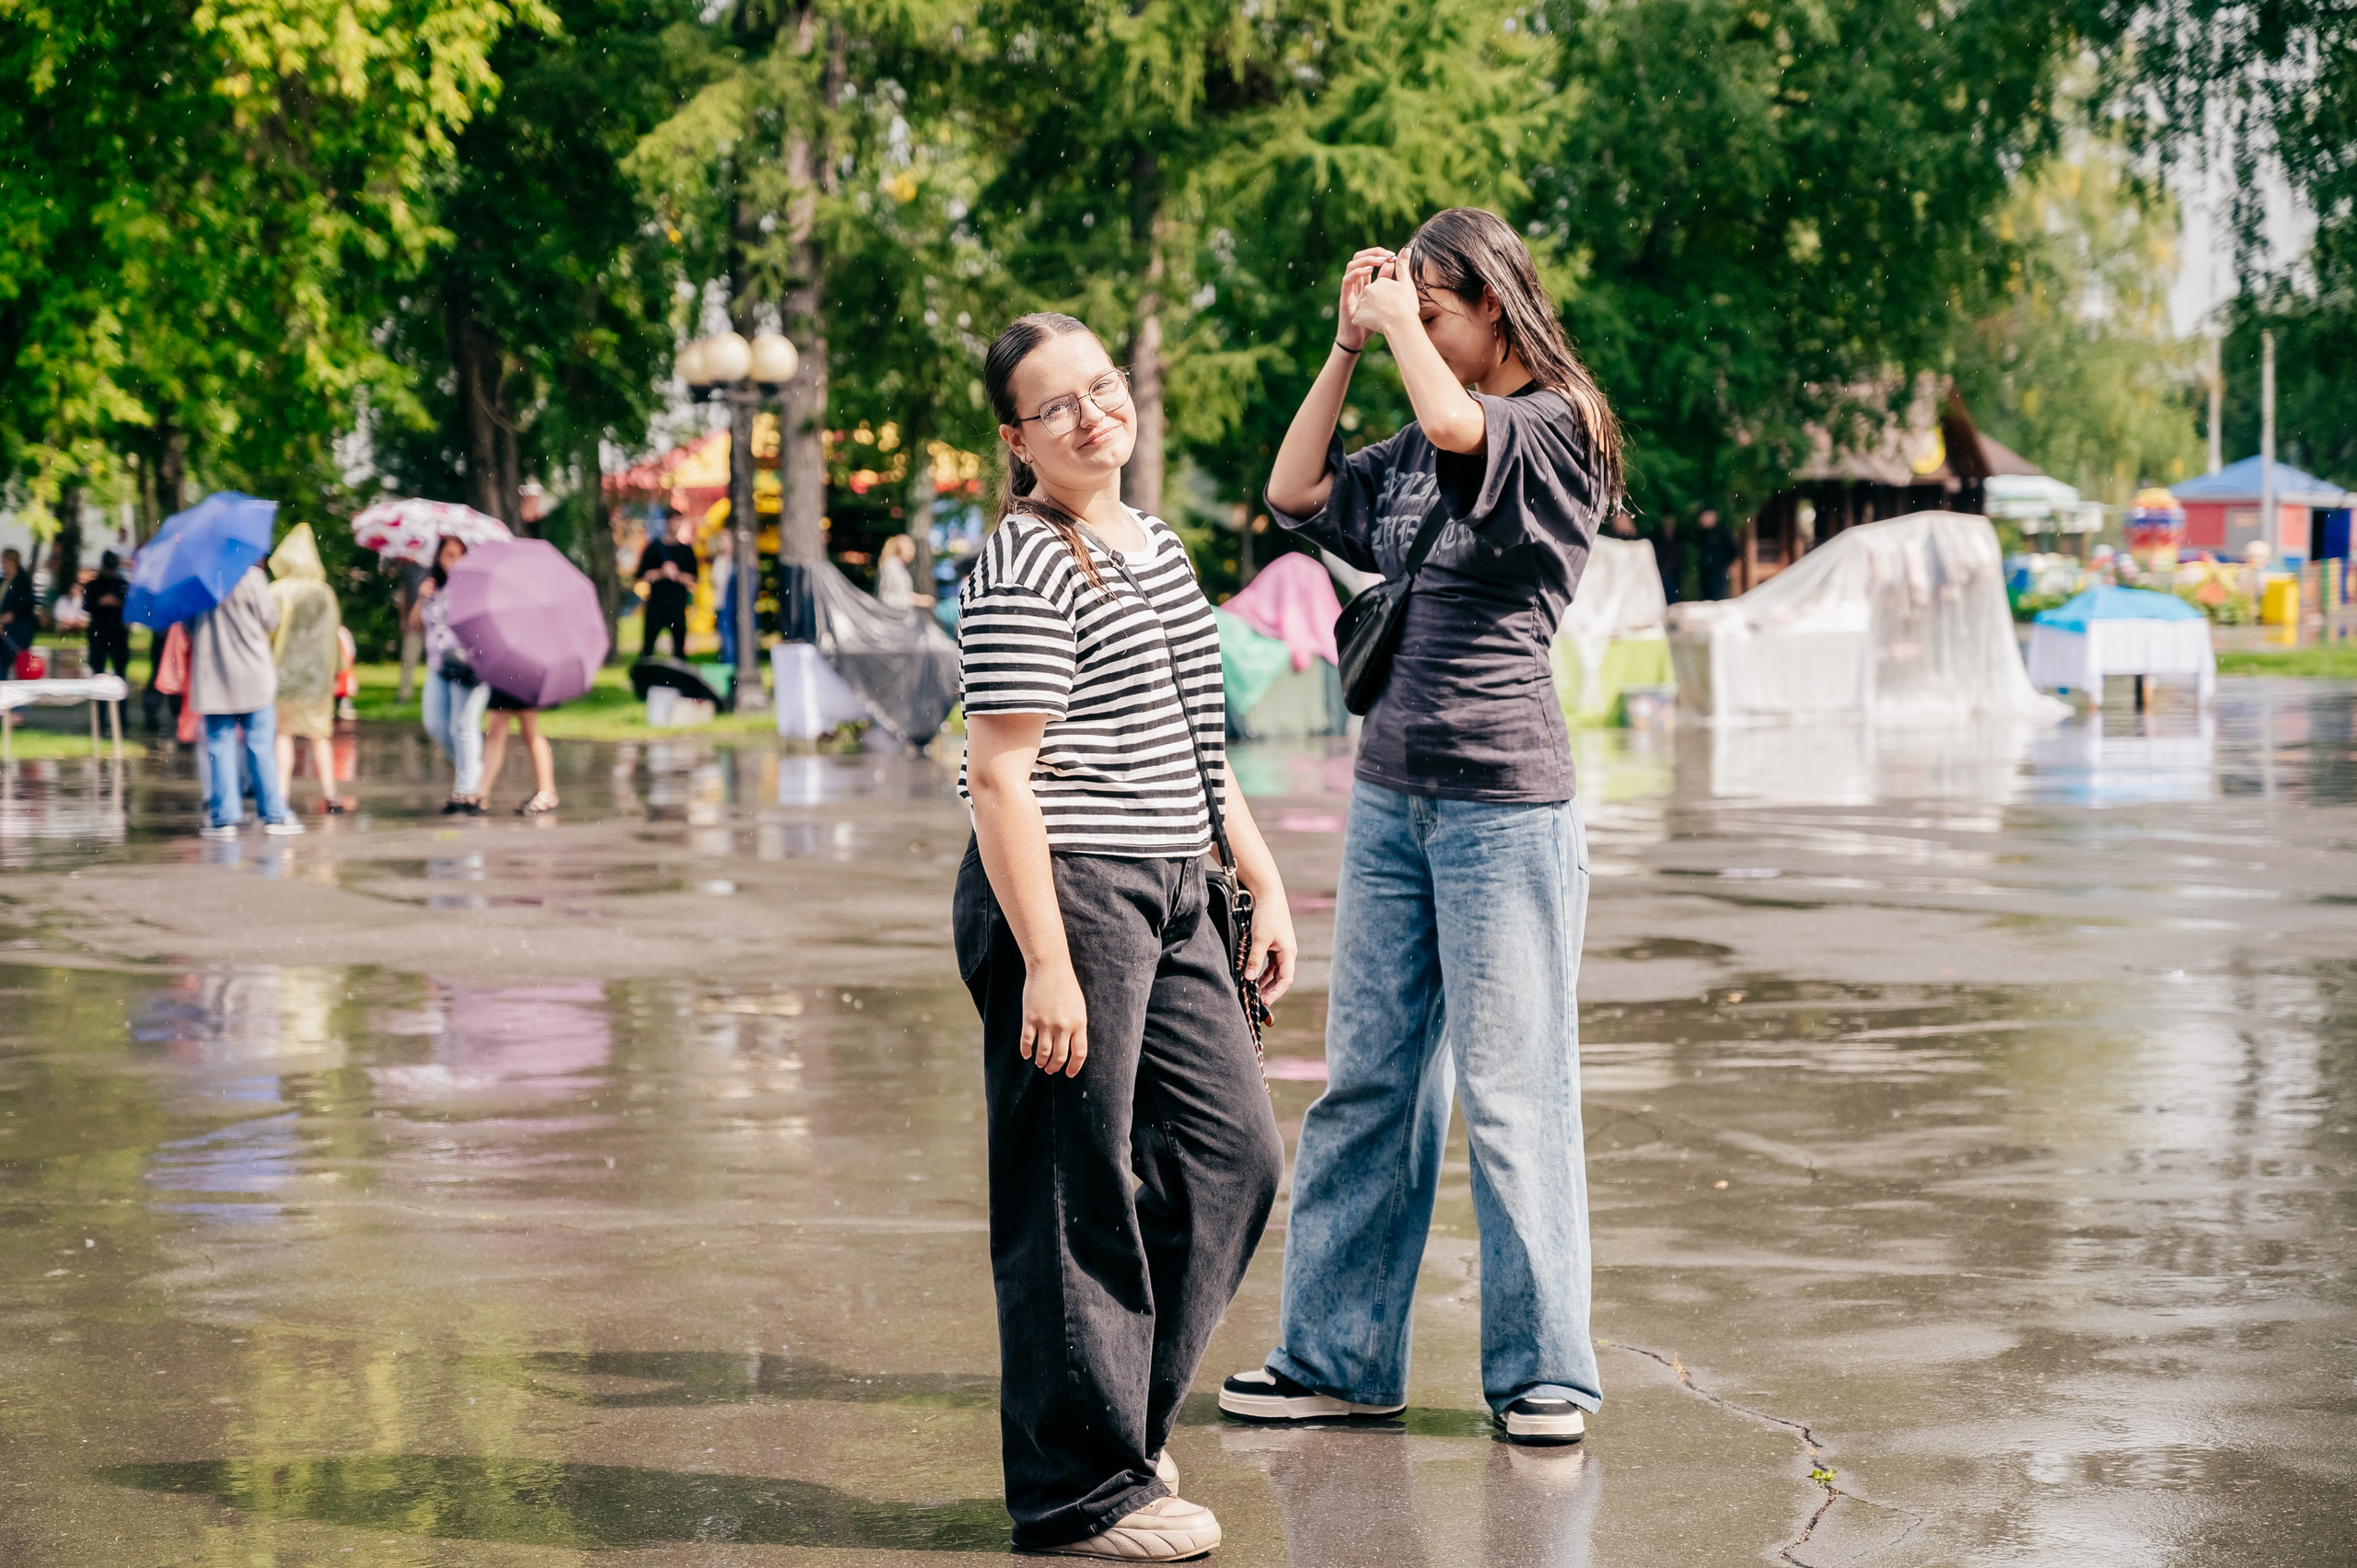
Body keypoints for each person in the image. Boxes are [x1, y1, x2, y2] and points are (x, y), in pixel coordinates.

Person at [1219, 207, 1621, 1448]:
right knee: (1368, 1086)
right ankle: (1337, 1357)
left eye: (1436, 313)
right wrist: (1348, 343)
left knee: (1512, 1094)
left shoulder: (1556, 426)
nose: (1419, 333)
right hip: (1392, 796)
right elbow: (1293, 491)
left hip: (1505, 806)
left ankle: (1544, 1371)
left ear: (1494, 305)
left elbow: (1460, 426)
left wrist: (1399, 324)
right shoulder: (1410, 441)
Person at [953, 312, 1293, 1561]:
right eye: (1058, 406)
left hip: (1176, 880)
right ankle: (1077, 1492)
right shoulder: (1024, 563)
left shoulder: (1156, 543)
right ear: (1017, 439)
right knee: (1071, 1184)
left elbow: (1201, 737)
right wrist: (1044, 959)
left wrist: (1255, 873)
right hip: (1068, 891)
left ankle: (1117, 1431)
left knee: (1231, 1156)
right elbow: (1000, 775)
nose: (1093, 416)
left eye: (1101, 388)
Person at [189, 560, 303, 838]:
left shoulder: (198, 580)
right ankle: (273, 814)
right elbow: (271, 619)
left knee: (220, 744)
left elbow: (188, 624)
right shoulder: (251, 576)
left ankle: (224, 817)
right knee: (260, 745)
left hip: (214, 674)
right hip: (253, 673)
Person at [266, 524, 345, 814]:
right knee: (319, 734)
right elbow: (332, 636)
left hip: (282, 675)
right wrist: (336, 669)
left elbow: (268, 633)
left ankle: (281, 794)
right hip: (316, 678)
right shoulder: (325, 594)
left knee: (283, 734)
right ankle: (331, 794)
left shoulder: (276, 592)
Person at [410, 535, 491, 815]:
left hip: (467, 665)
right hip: (439, 665)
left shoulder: (474, 587)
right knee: (435, 724)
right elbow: (415, 625)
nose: (455, 562)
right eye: (449, 556)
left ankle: (466, 791)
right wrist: (422, 597)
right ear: (438, 558)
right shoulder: (435, 588)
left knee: (463, 725)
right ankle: (473, 773)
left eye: (460, 555)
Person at [482, 691, 558, 816]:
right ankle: (480, 793)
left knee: (528, 730)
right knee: (497, 732)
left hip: (520, 683)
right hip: (504, 684)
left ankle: (547, 792)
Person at [635, 512, 698, 658]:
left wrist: (676, 575)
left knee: (679, 648)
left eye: (678, 521)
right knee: (648, 647)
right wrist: (662, 572)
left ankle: (679, 671)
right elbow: (641, 575)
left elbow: (693, 579)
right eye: (673, 521)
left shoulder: (686, 551)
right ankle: (646, 670)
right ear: (667, 522)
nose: (676, 525)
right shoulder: (654, 548)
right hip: (656, 606)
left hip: (677, 606)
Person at [86, 552, 130, 678]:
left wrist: (118, 603)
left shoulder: (122, 585)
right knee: (97, 665)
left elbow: (130, 606)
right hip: (99, 629)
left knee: (120, 665)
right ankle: (98, 689)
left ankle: (121, 688)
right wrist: (100, 602)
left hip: (118, 629)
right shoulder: (94, 585)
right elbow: (87, 605)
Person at [876, 532, 935, 610]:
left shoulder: (899, 566)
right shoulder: (891, 565)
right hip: (891, 612)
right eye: (909, 549)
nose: (913, 553)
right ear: (899, 549)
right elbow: (889, 595)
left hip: (898, 612)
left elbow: (901, 592)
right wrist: (918, 600)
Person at [1696, 506, 1736, 600]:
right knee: (1706, 598)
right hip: (1705, 571)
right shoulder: (1701, 533)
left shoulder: (1722, 532)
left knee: (1718, 596)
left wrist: (1726, 563)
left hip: (1718, 570)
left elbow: (1732, 550)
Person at [0, 549, 33, 662]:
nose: (4, 565)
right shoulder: (3, 581)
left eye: (6, 562)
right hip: (3, 629)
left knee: (16, 661)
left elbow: (24, 605)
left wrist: (9, 617)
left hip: (17, 630)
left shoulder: (22, 583)